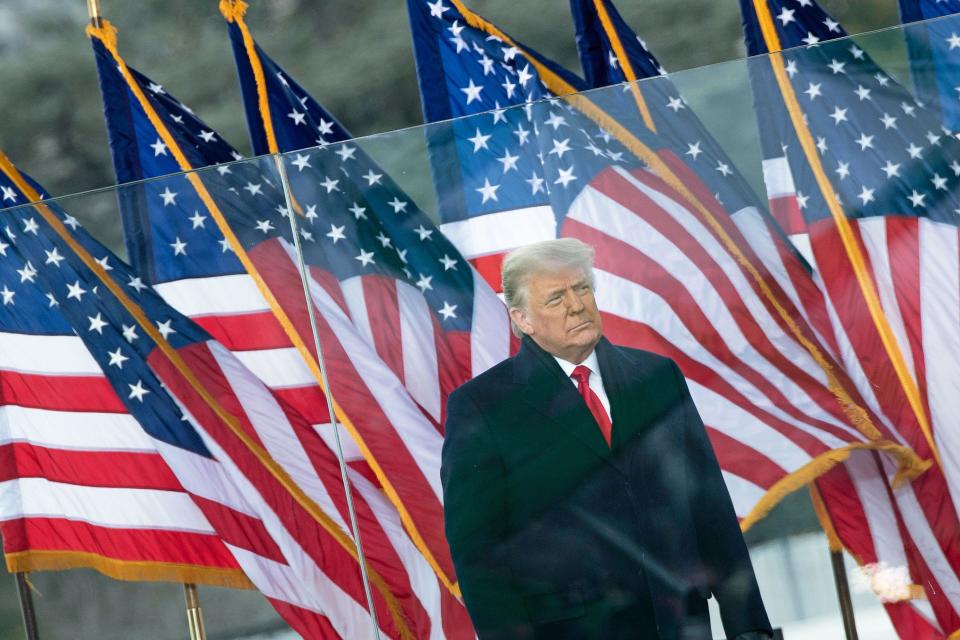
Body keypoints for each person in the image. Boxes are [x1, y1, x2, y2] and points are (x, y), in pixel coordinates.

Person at [441, 238, 772, 639]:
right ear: (523, 319)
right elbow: (479, 556)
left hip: (680, 625)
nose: (576, 305)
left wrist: (750, 629)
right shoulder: (481, 407)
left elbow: (711, 512)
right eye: (556, 298)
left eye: (582, 288)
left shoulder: (657, 377)